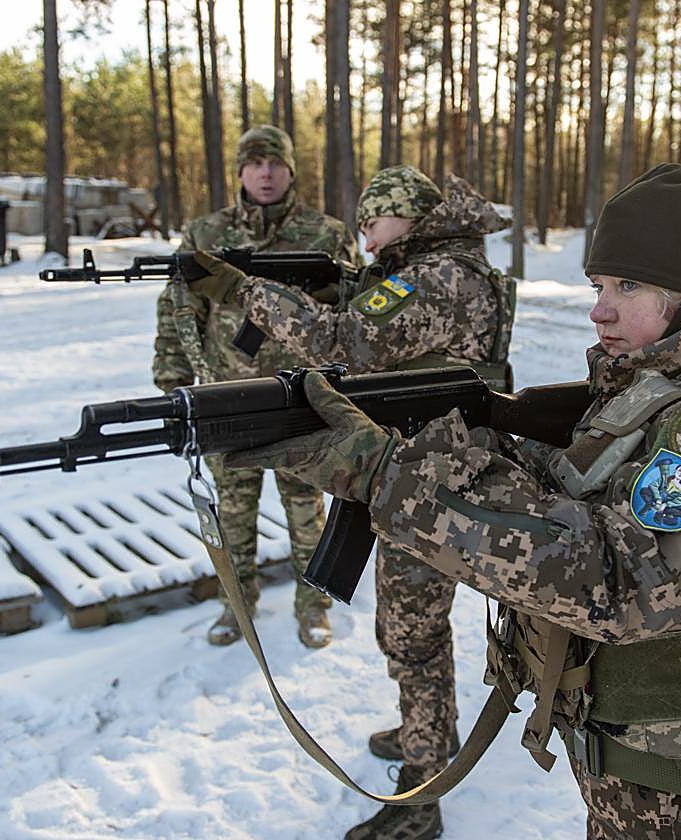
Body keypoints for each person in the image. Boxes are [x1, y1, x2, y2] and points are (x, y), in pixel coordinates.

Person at [220, 163, 681, 838]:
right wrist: (456, 448)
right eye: (598, 286)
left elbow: (619, 579)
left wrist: (389, 477)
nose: (599, 311)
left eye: (629, 287)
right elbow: (589, 496)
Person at [189, 165, 513, 840]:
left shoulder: (437, 278)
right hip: (426, 471)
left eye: (372, 224)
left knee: (412, 636)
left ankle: (421, 795)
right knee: (410, 629)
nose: (365, 241)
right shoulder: (439, 271)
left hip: (433, 485)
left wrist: (242, 290)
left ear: (408, 214)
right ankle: (430, 730)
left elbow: (346, 341)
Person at [152, 124, 361, 649]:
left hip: (305, 400)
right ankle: (236, 605)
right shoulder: (206, 235)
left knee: (307, 510)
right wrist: (174, 382)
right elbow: (178, 311)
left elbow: (354, 314)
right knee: (233, 511)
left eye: (275, 164)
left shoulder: (326, 234)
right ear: (240, 172)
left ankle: (313, 606)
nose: (265, 174)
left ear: (291, 170)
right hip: (228, 397)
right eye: (254, 164)